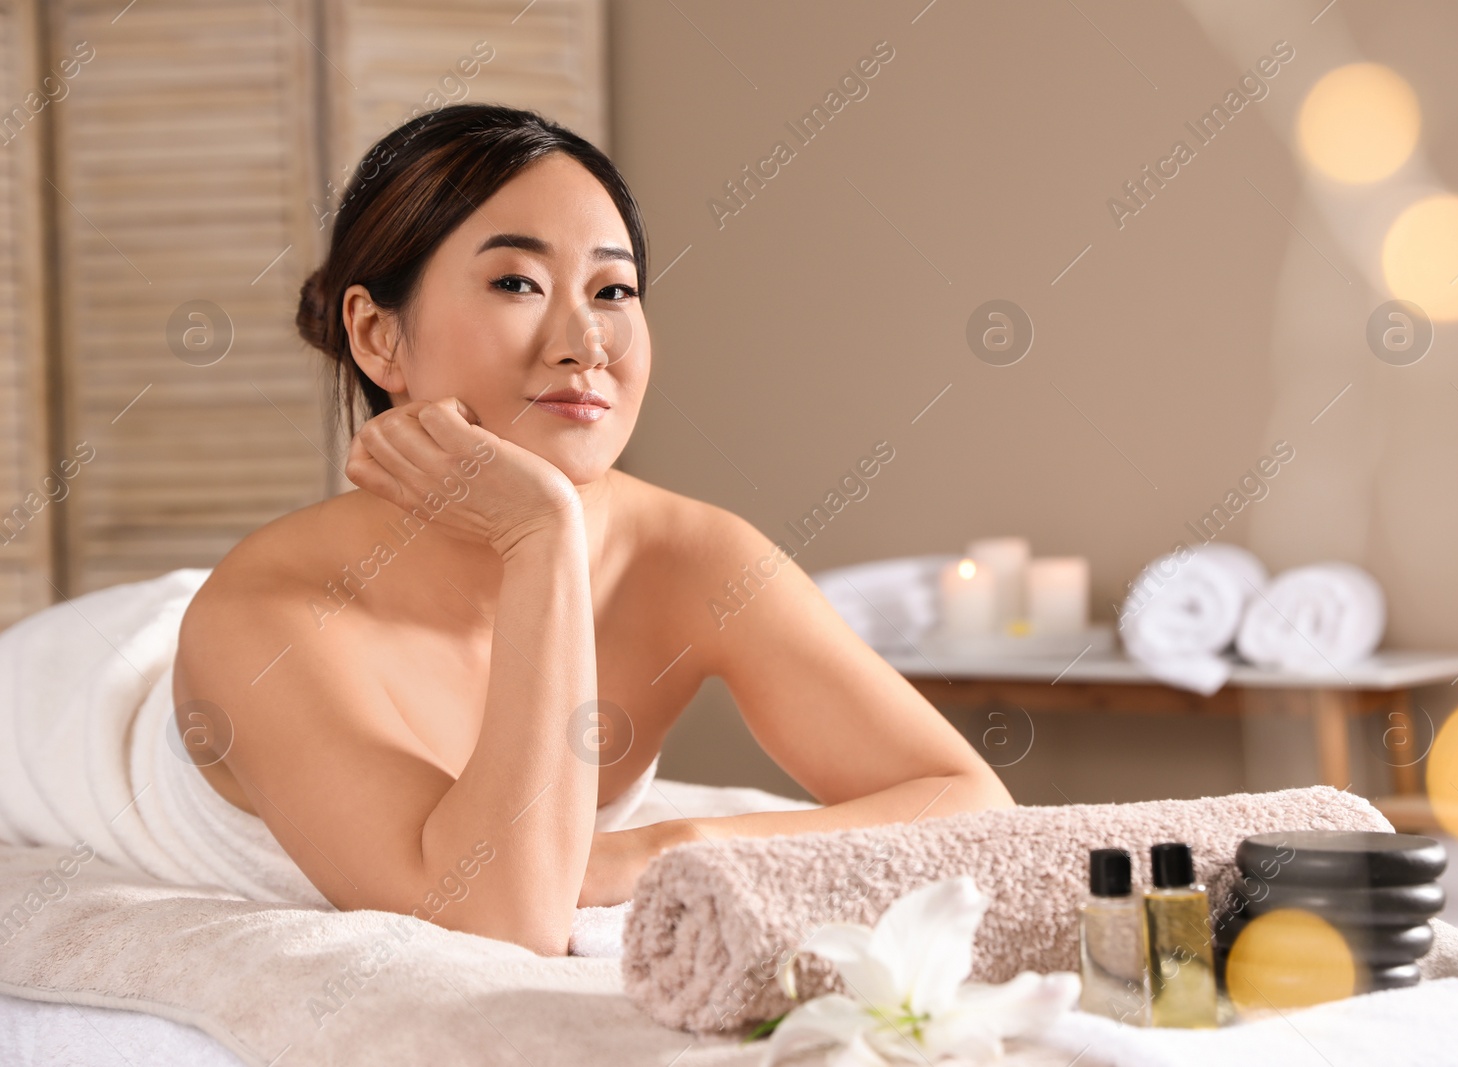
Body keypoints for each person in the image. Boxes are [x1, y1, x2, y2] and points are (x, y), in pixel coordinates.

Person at [173, 103, 1014, 956]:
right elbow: (501, 921)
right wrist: (539, 536)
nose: (586, 341)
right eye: (517, 283)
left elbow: (968, 802)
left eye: (613, 291)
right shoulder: (261, 618)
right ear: (376, 334)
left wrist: (667, 846)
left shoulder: (689, 553)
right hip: (92, 688)